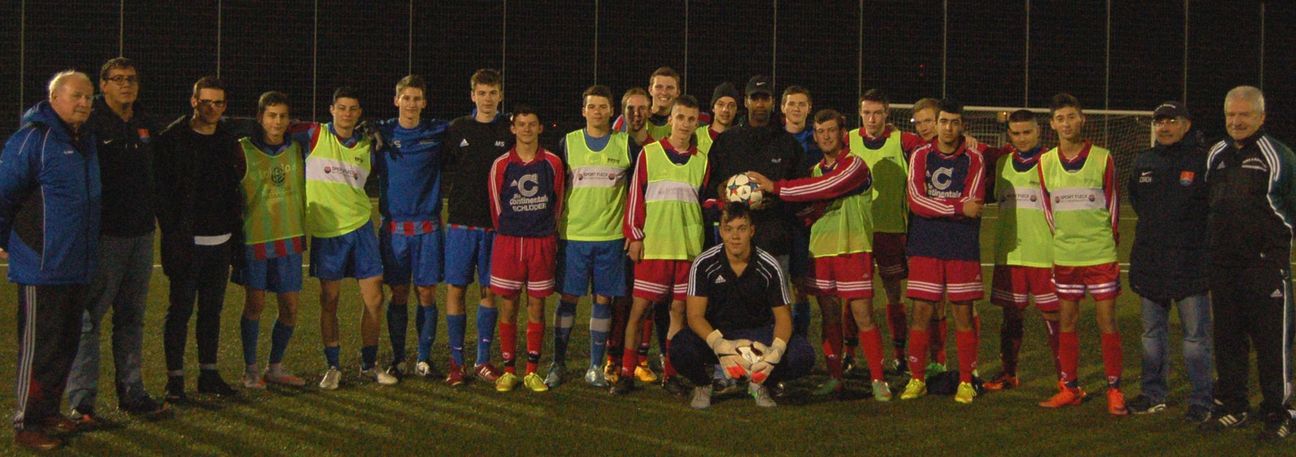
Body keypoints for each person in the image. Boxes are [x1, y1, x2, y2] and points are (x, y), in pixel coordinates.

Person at [749, 108, 887, 399]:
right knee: (829, 315)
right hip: (822, 251)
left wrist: (775, 187)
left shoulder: (855, 166)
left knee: (862, 315)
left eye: (831, 131)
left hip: (854, 249)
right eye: (820, 132)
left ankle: (878, 379)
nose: (825, 136)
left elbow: (826, 187)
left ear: (842, 134)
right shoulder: (813, 172)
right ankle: (835, 377)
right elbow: (808, 208)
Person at [0, 70, 100, 451]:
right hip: (42, 266)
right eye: (76, 96)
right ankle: (26, 423)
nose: (84, 103)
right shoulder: (32, 139)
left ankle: (48, 412)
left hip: (77, 263)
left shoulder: (85, 141)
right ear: (54, 97)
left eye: (89, 97)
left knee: (65, 345)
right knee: (38, 349)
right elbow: (5, 193)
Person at [65, 57, 167, 425]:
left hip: (141, 235)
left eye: (132, 79)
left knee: (132, 319)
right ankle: (82, 403)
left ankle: (132, 392)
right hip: (104, 237)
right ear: (102, 85)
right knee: (89, 319)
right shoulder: (90, 125)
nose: (126, 85)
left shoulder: (144, 124)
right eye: (118, 79)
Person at [1201, 86, 1296, 440]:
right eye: (1231, 115)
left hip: (1264, 269)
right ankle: (1233, 406)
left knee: (1273, 345)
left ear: (1261, 117)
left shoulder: (1278, 156)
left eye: (1244, 115)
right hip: (1223, 268)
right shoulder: (1216, 153)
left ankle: (1280, 410)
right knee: (1228, 341)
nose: (1237, 121)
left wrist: (1271, 253)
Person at [294, 87, 394, 389]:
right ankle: (333, 365)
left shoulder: (366, 144)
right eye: (342, 107)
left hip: (361, 226)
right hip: (327, 231)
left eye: (353, 108)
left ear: (359, 113)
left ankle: (368, 364)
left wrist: (383, 139)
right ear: (331, 109)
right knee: (330, 300)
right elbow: (275, 127)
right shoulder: (313, 135)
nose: (347, 113)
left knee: (375, 298)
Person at [671, 203, 814, 409]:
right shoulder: (704, 263)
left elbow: (783, 317)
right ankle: (703, 384)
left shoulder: (769, 265)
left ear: (752, 231)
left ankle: (762, 383)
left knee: (802, 355)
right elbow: (694, 316)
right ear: (720, 231)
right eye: (728, 229)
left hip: (758, 336)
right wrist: (721, 345)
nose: (735, 236)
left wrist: (774, 352)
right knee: (679, 348)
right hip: (718, 334)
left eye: (741, 228)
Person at [1036, 93, 1126, 415]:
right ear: (1052, 124)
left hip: (1099, 253)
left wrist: (1107, 241)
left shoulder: (1103, 157)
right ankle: (1069, 387)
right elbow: (1048, 209)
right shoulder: (1045, 161)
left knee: (1107, 322)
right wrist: (1062, 239)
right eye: (1060, 118)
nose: (1066, 123)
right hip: (1066, 255)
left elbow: (1113, 203)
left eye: (1071, 116)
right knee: (1067, 322)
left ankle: (1114, 389)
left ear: (1082, 119)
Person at [613, 95, 710, 395]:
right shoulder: (649, 154)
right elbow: (634, 199)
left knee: (678, 313)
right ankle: (627, 372)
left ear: (696, 123)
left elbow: (705, 205)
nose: (684, 124)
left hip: (687, 250)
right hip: (654, 247)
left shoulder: (702, 160)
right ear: (670, 120)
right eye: (680, 118)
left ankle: (671, 375)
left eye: (691, 119)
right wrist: (635, 235)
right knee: (638, 311)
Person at [1124, 101, 1214, 422]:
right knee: (1151, 334)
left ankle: (1202, 399)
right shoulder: (1144, 162)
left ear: (1186, 124)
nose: (1164, 126)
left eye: (1171, 120)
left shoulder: (1202, 161)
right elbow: (1137, 202)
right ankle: (1153, 394)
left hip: (1190, 264)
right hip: (1151, 262)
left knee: (1194, 337)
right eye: (1159, 121)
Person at [155, 76, 243, 401]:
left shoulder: (227, 139)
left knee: (211, 312)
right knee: (179, 311)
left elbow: (233, 188)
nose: (212, 108)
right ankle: (174, 381)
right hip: (187, 241)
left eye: (218, 103)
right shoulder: (173, 139)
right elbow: (162, 194)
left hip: (221, 241)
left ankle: (208, 373)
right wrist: (174, 234)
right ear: (193, 101)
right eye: (206, 101)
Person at [897, 100, 987, 404]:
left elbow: (976, 201)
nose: (948, 128)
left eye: (954, 122)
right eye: (944, 122)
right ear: (936, 124)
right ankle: (917, 378)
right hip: (925, 245)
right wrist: (958, 207)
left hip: (962, 246)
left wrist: (950, 209)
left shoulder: (974, 157)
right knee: (921, 312)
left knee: (963, 314)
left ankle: (965, 380)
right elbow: (916, 202)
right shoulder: (921, 154)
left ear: (962, 125)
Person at [552, 85, 636, 388]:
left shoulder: (626, 145)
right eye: (592, 106)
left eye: (603, 107)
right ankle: (557, 363)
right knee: (569, 299)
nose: (597, 112)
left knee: (603, 300)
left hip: (611, 238)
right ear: (583, 110)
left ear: (612, 111)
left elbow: (638, 191)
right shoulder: (568, 143)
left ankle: (595, 367)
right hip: (573, 236)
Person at [230, 91, 310, 391]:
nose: (277, 121)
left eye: (282, 116)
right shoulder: (242, 149)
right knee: (255, 305)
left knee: (290, 308)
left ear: (289, 120)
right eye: (271, 115)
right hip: (256, 240)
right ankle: (250, 369)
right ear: (260, 118)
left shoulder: (298, 149)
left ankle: (274, 367)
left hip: (289, 240)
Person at [372, 75, 449, 380]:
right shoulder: (383, 131)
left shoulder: (438, 131)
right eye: (406, 98)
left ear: (424, 103)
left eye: (417, 99)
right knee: (399, 293)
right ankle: (399, 357)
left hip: (427, 227)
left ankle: (424, 358)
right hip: (394, 229)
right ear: (396, 100)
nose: (412, 104)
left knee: (427, 293)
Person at [982, 110, 1062, 392]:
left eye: (1027, 132)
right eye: (1015, 134)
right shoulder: (1003, 163)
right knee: (1011, 315)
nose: (1022, 138)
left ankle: (1066, 379)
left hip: (1045, 256)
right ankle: (1009, 374)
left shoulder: (1052, 161)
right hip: (1009, 254)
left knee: (1054, 316)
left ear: (1039, 131)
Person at [487, 106, 565, 393]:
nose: (527, 129)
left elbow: (558, 203)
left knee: (537, 305)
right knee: (508, 305)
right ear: (513, 128)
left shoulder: (553, 163)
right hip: (509, 242)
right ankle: (509, 369)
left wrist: (543, 230)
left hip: (541, 242)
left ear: (540, 128)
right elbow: (497, 208)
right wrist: (513, 229)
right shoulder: (501, 165)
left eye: (532, 124)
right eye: (521, 124)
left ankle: (532, 370)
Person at [441, 69, 511, 386]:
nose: (487, 98)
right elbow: (445, 167)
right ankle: (457, 363)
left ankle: (483, 361)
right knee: (456, 289)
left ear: (499, 95)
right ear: (472, 96)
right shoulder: (457, 129)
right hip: (460, 223)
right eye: (481, 93)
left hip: (493, 226)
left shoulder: (507, 130)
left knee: (489, 291)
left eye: (492, 92)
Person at [849, 89, 927, 375]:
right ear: (860, 113)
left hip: (891, 231)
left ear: (887, 113)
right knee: (853, 295)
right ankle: (849, 353)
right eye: (867, 112)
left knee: (894, 295)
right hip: (856, 231)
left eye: (877, 112)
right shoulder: (849, 139)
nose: (872, 118)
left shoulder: (903, 141)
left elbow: (935, 144)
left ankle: (898, 354)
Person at [779, 85, 820, 340]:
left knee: (800, 284)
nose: (796, 108)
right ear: (783, 107)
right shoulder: (773, 138)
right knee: (778, 283)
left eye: (801, 104)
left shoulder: (817, 140)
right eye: (792, 104)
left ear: (809, 108)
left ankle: (800, 338)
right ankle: (779, 337)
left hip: (805, 223)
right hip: (777, 220)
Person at [696, 82, 739, 155]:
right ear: (713, 108)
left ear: (736, 110)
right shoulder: (696, 136)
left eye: (731, 106)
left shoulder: (740, 139)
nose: (725, 109)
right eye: (720, 104)